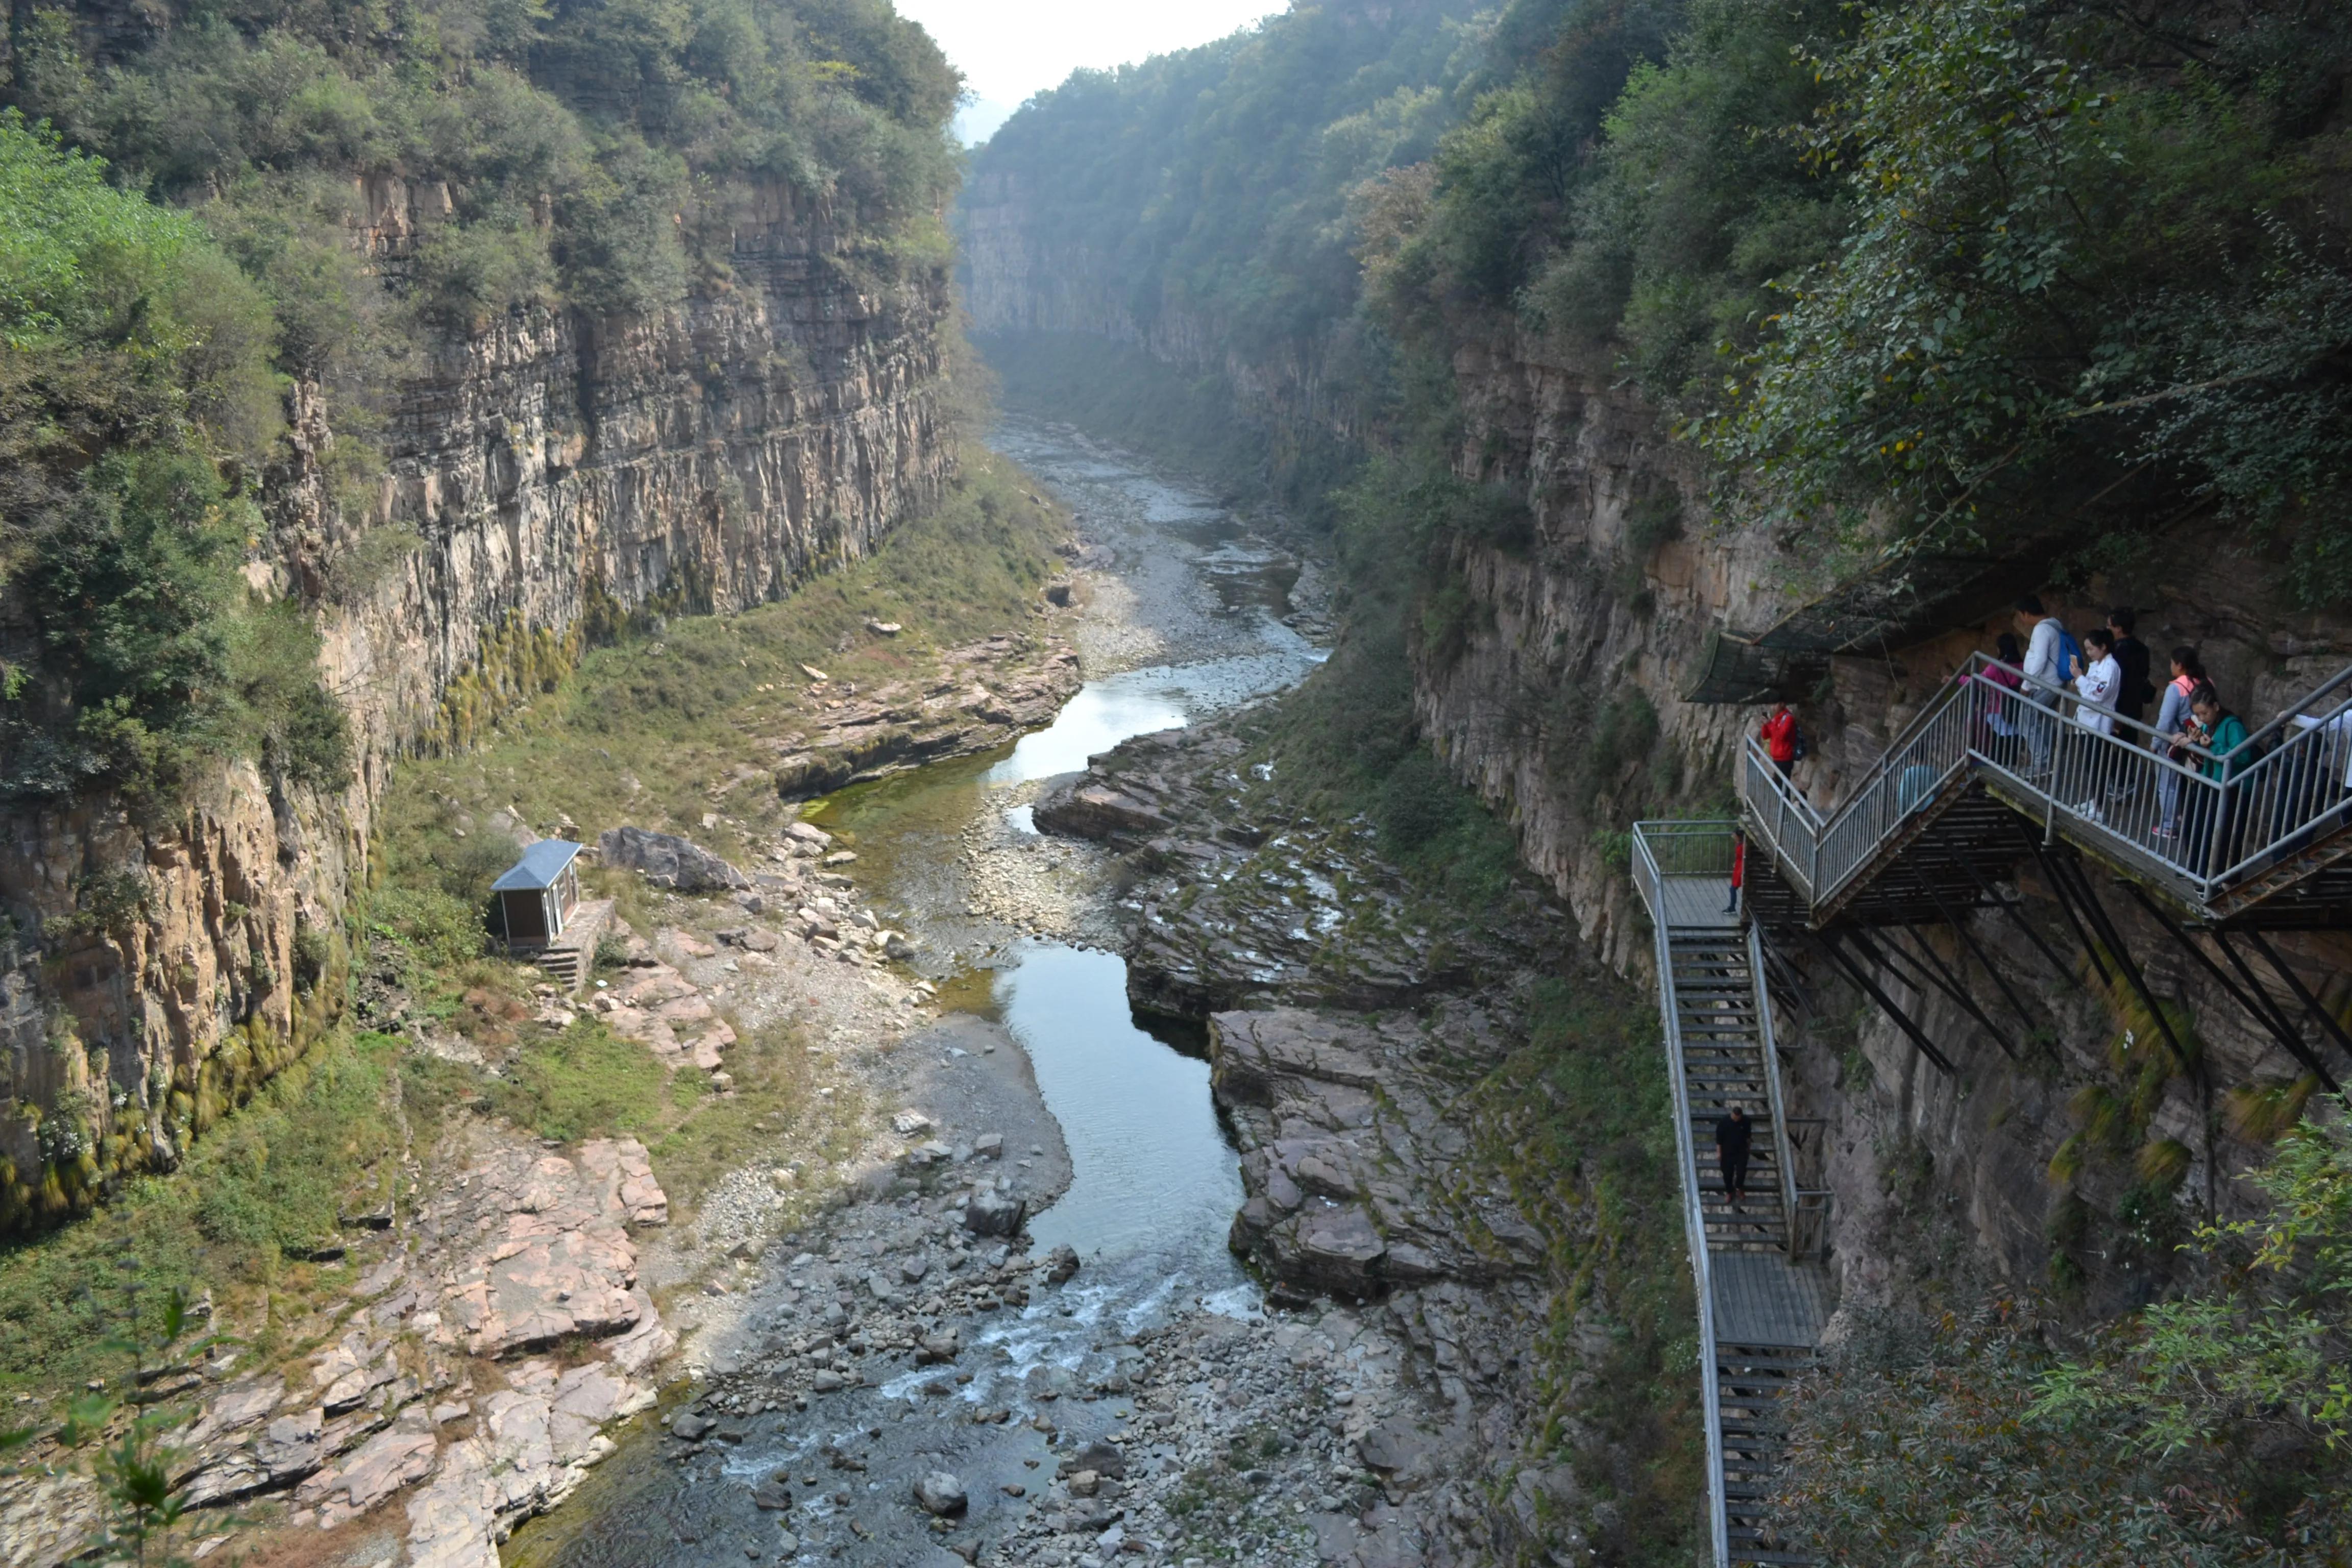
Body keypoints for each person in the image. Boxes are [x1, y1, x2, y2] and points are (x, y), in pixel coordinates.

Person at [2182, 684, 2253, 874]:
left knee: (2223, 835)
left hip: (2231, 787)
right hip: (2211, 781)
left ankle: (2218, 876)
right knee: (2198, 826)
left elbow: (2243, 756)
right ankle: (2198, 868)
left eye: (2205, 713)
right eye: (2198, 715)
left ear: (2216, 706)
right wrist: (2198, 742)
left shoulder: (2232, 725)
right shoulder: (2209, 725)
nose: (2202, 718)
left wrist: (2213, 746)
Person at [2152, 646, 2206, 842]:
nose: (2171, 667)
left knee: (2168, 785)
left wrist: (2155, 742)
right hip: (2196, 742)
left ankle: (2168, 826)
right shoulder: (2203, 683)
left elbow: (2165, 721)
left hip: (2174, 744)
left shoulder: (2177, 688)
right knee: (2188, 784)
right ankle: (2184, 820)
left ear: (2180, 665)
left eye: (2172, 663)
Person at [2014, 595, 2068, 777]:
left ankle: (2042, 764)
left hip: (2045, 684)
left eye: (2021, 615)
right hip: (2054, 682)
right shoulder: (2054, 625)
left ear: (2026, 614)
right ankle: (2045, 763)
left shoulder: (2042, 630)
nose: (2021, 619)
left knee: (2025, 720)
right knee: (2042, 722)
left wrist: (2027, 684)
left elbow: (2040, 660)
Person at [2109, 608, 2153, 727]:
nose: (2108, 629)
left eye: (2110, 626)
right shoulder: (2143, 649)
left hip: (2118, 707)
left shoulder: (2116, 652)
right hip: (2135, 707)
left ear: (2119, 628)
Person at [1714, 1104, 1753, 1210]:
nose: (1736, 1120)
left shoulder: (1746, 1121)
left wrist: (1748, 1149)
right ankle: (1729, 1192)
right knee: (1727, 1174)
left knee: (1741, 1172)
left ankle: (1739, 1188)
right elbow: (1719, 1140)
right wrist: (1719, 1153)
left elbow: (1748, 1136)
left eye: (1738, 1119)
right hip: (1727, 1153)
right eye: (1735, 1118)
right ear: (1732, 1114)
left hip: (1741, 1152)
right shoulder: (1724, 1123)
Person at [1759, 705, 1800, 780]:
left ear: (1782, 704)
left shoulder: (1788, 718)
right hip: (1777, 758)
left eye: (1775, 704)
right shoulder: (1775, 719)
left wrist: (1769, 724)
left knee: (1783, 787)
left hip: (1785, 758)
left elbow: (1781, 736)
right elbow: (1766, 736)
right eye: (1772, 705)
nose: (1773, 707)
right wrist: (1765, 725)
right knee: (1778, 785)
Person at [1723, 831, 1746, 916]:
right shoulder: (1740, 844)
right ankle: (1732, 907)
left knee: (1733, 888)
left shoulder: (1742, 846)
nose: (1734, 837)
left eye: (1735, 836)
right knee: (1733, 888)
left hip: (1740, 868)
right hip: (1738, 866)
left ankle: (1732, 908)